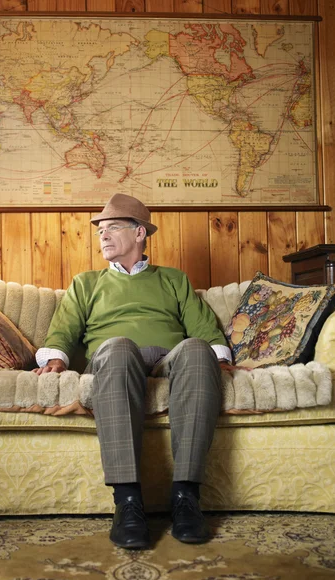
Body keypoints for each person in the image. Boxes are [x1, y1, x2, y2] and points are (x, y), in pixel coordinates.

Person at [35, 193, 234, 550]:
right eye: (100, 231)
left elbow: (203, 327)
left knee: (195, 348)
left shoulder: (173, 279)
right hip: (114, 359)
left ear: (139, 233)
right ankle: (127, 503)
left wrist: (217, 358)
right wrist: (58, 358)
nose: (103, 237)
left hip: (167, 358)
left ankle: (186, 499)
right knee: (119, 345)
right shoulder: (86, 283)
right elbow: (62, 329)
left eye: (112, 228)